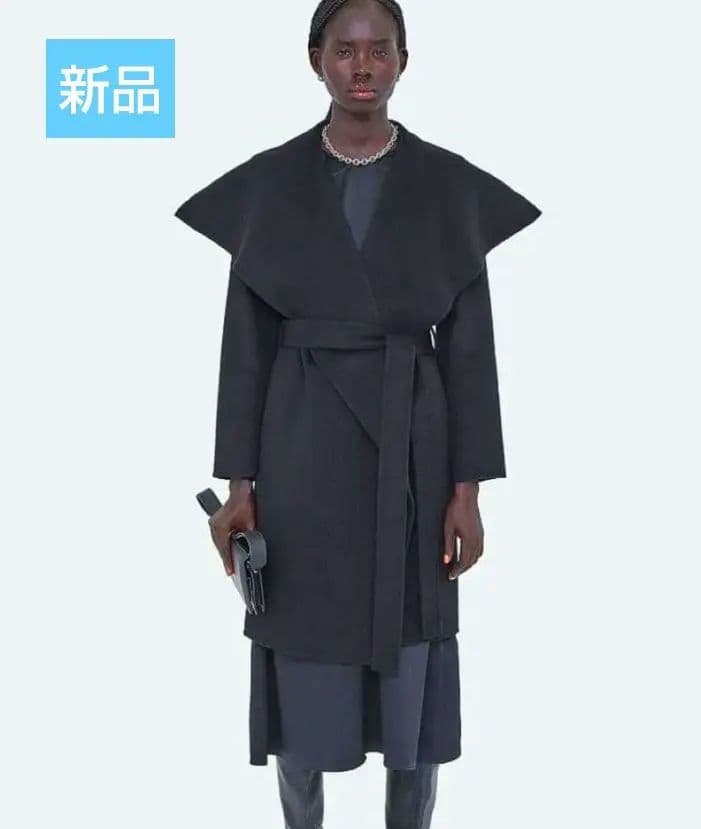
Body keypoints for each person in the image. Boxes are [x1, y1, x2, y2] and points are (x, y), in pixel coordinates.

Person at [175, 1, 541, 826]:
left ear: (405, 60)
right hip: (299, 448)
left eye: (379, 50)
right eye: (345, 50)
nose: (363, 66)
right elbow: (244, 350)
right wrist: (239, 487)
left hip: (413, 447)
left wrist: (467, 491)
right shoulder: (269, 185)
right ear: (316, 59)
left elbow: (471, 351)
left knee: (412, 676)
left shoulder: (448, 186)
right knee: (302, 656)